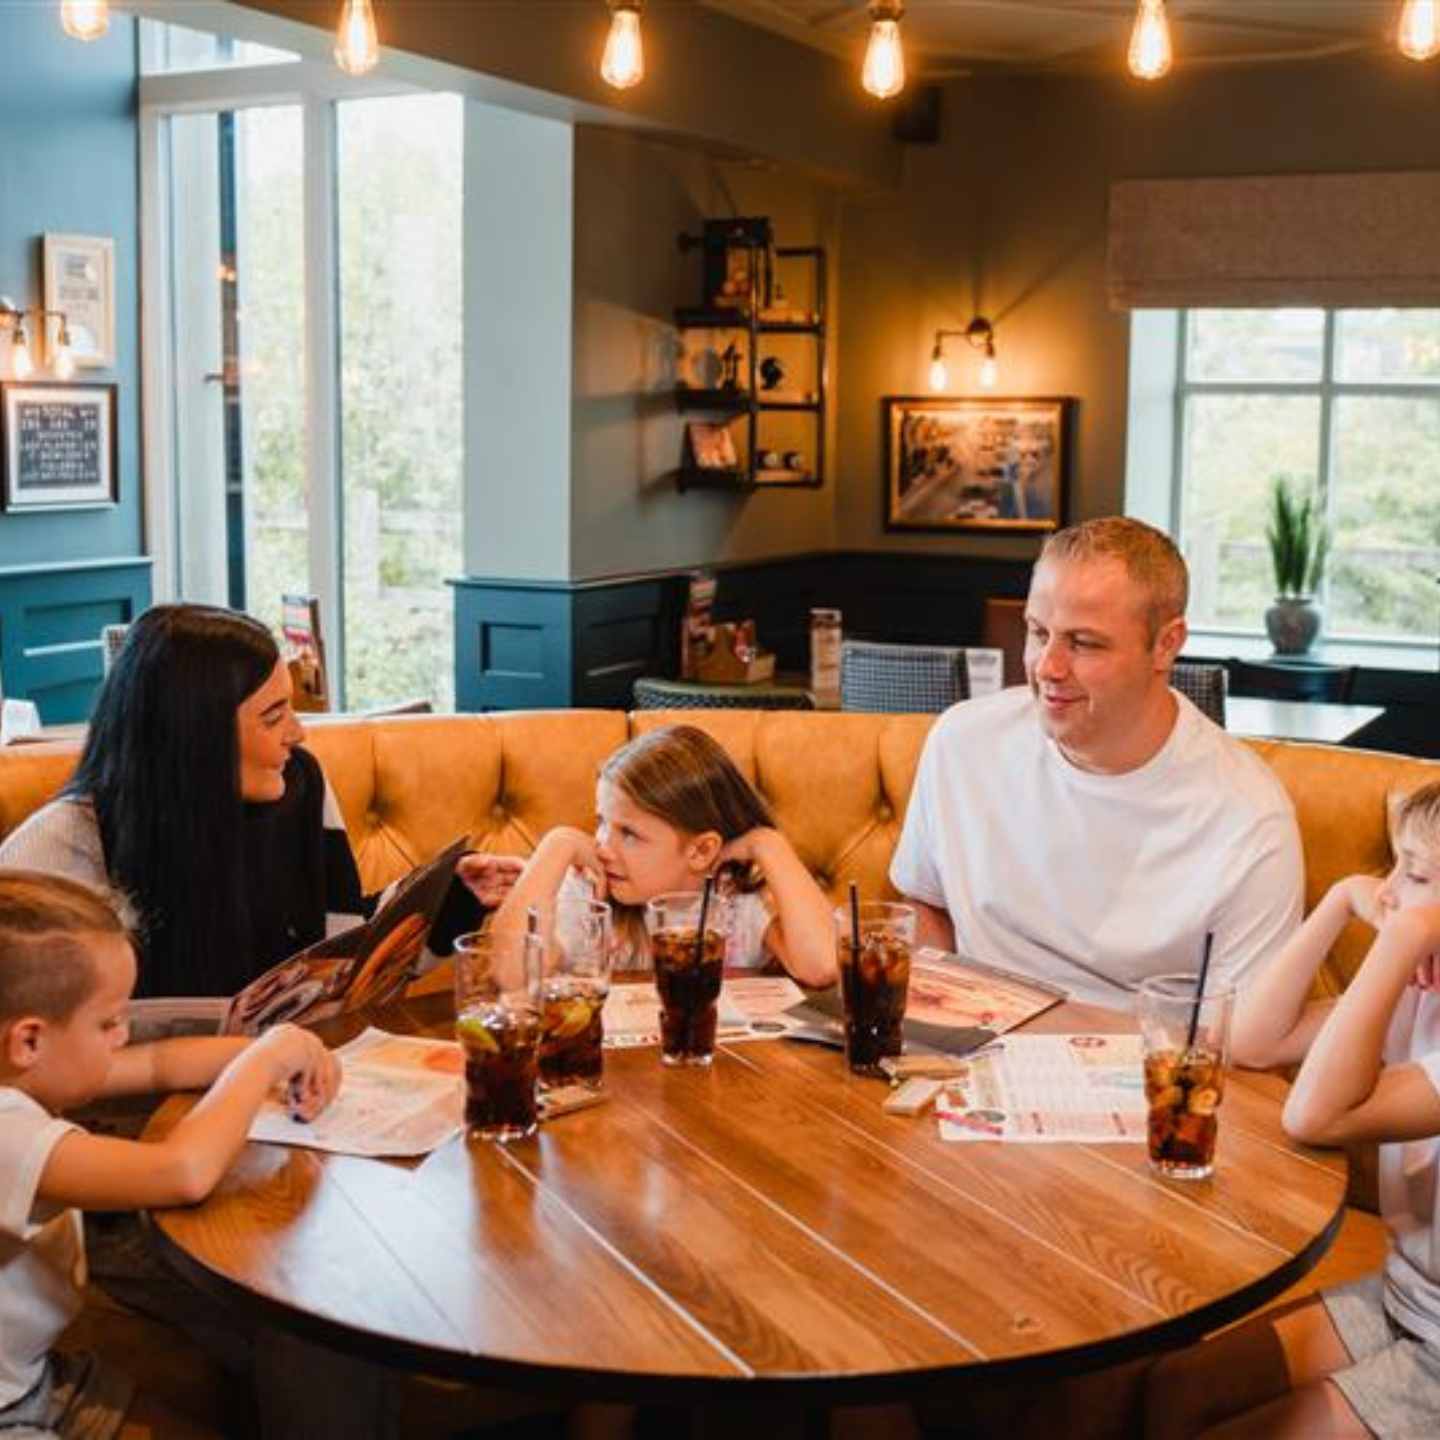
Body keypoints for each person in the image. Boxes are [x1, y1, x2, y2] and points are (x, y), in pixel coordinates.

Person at [0, 603, 519, 998]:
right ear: (194, 736)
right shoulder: (60, 847)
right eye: (273, 717)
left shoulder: (300, 783)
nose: (297, 733)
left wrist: (449, 897)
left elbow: (339, 948)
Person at [890, 516, 1303, 1009]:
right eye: (1038, 632)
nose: (1047, 667)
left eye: (1083, 643)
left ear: (1166, 645)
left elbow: (1239, 1033)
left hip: (1135, 1054)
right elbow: (926, 904)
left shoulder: (1248, 817)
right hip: (973, 1038)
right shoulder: (962, 741)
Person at [1144, 781, 1440, 1438]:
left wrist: (1400, 940)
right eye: (1393, 866)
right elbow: (1255, 1043)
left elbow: (1315, 1117)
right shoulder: (1420, 992)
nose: (1389, 892)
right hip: (1404, 1297)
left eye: (1416, 875)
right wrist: (1339, 901)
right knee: (1175, 1391)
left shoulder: (1409, 961)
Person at [0, 870, 339, 1438]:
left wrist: (287, 1050)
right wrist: (265, 1063)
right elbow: (181, 1172)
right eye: (108, 1022)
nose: (121, 1037)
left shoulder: (23, 1074)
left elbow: (160, 1064)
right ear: (29, 1040)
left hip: (38, 1377)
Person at [493, 723, 836, 988]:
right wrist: (557, 844)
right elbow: (510, 975)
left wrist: (768, 843)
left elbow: (822, 967)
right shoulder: (587, 891)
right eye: (602, 823)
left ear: (701, 851)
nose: (603, 847)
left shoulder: (737, 899)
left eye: (629, 833)